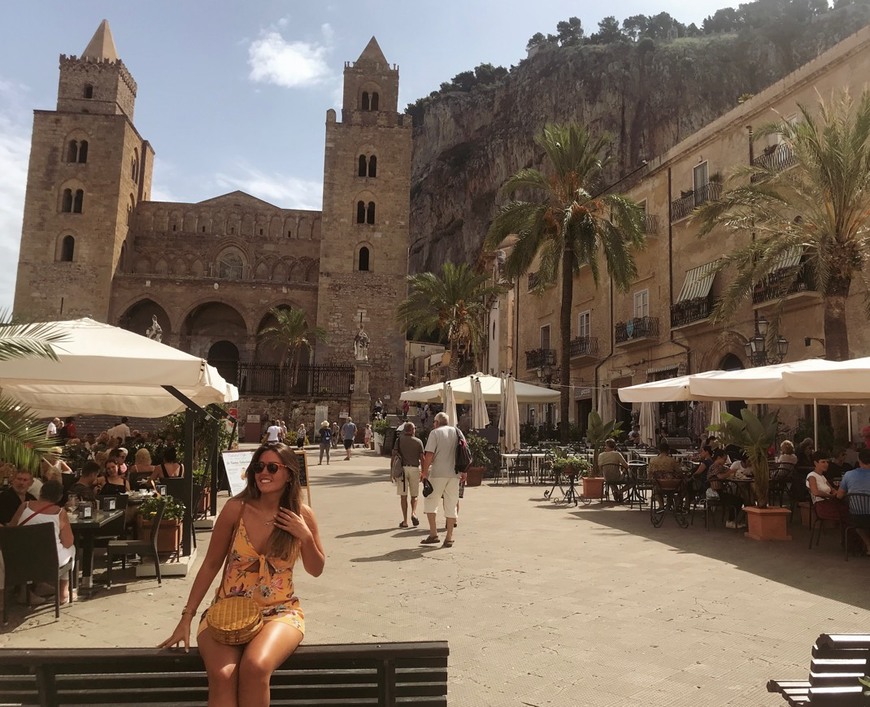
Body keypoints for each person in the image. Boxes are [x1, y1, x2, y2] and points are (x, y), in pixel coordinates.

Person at [159, 442, 325, 707]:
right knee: (223, 674)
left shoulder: (302, 515)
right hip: (227, 610)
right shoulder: (236, 509)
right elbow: (211, 564)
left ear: (290, 474)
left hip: (279, 612)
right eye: (258, 467)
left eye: (273, 467)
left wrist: (304, 535)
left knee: (256, 667)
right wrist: (186, 616)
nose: (263, 473)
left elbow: (316, 570)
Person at [10, 479, 76, 605]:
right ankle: (63, 592)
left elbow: (12, 530)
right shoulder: (60, 513)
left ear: (41, 492)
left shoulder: (25, 506)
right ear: (60, 497)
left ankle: (27, 591)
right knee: (72, 548)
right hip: (49, 561)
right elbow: (68, 542)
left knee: (29, 548)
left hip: (20, 559)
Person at [420, 412, 465, 548]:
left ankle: (433, 534)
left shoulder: (435, 433)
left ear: (437, 422)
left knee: (431, 502)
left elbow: (429, 454)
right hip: (454, 473)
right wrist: (464, 471)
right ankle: (449, 537)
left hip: (438, 473)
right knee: (451, 504)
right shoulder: (457, 432)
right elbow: (464, 452)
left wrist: (424, 472)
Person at [836, 447, 870, 553]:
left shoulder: (848, 475)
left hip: (856, 515)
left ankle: (868, 545)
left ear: (859, 460)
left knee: (858, 526)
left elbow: (839, 496)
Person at [393, 422, 424, 528]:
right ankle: (414, 513)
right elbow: (422, 458)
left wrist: (392, 471)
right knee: (414, 495)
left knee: (403, 496)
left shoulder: (399, 440)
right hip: (415, 469)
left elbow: (394, 456)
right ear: (411, 430)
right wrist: (424, 472)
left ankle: (405, 521)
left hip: (402, 469)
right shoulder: (418, 442)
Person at [806, 451, 848, 523]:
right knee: (848, 513)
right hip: (821, 506)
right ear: (816, 463)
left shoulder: (822, 477)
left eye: (827, 462)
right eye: (823, 462)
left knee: (851, 509)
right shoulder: (811, 476)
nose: (826, 464)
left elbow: (832, 489)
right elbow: (815, 492)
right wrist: (830, 496)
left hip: (830, 503)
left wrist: (838, 492)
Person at [707, 449, 745, 528]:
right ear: (718, 457)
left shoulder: (721, 467)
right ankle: (730, 521)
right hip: (716, 493)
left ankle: (732, 520)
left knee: (737, 498)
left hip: (722, 491)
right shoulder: (715, 466)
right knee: (737, 501)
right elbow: (720, 476)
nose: (725, 461)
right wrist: (730, 472)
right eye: (724, 459)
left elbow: (729, 470)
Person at [597, 438, 629, 502]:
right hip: (617, 477)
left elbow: (600, 467)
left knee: (610, 478)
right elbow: (626, 466)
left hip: (607, 477)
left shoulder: (601, 455)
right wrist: (623, 472)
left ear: (606, 446)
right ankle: (620, 492)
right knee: (632, 481)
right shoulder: (617, 454)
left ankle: (616, 492)